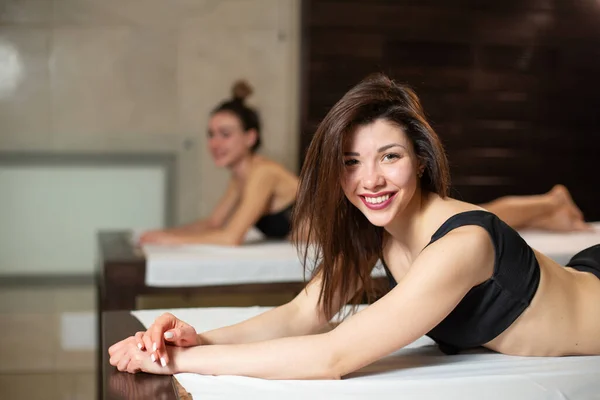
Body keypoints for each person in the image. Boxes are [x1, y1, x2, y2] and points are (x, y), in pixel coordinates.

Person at [109, 74, 600, 378]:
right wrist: (192, 340)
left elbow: (333, 356)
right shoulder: (377, 235)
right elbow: (301, 315)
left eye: (390, 157)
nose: (370, 180)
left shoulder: (462, 246)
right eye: (351, 162)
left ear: (422, 161)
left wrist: (175, 363)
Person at [139, 80, 300, 246]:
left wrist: (170, 240)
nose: (215, 144)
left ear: (250, 137)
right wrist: (163, 234)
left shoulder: (264, 173)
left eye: (225, 134)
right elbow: (213, 223)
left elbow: (231, 238)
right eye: (211, 135)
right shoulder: (241, 176)